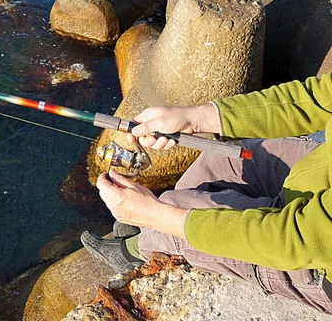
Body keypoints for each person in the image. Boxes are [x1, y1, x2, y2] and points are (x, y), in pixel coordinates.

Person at [81, 72, 332, 313]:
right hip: (321, 172)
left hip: (311, 254)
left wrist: (156, 215)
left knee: (175, 208)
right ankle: (151, 236)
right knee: (220, 159)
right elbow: (319, 97)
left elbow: (293, 240)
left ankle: (132, 252)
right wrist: (195, 117)